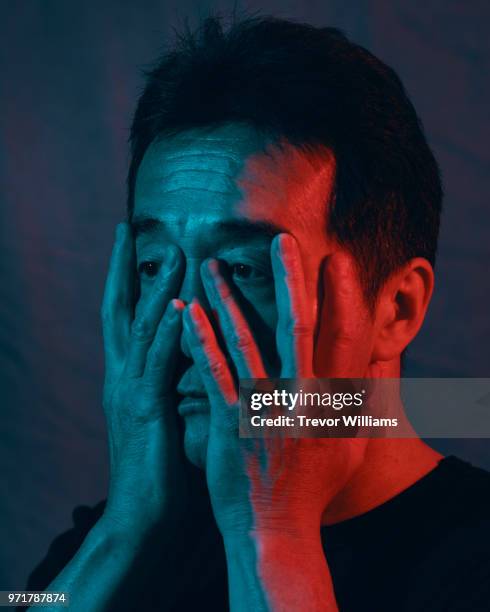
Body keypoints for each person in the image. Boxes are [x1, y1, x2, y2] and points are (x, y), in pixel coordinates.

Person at [23, 15, 490, 612]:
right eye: (152, 267)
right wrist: (122, 531)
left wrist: (274, 534)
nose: (185, 329)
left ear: (396, 309)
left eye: (242, 271)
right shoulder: (108, 549)